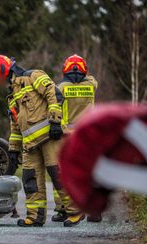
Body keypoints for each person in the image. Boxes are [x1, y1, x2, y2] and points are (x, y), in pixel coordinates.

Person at [0, 55, 84, 227]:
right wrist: (13, 149)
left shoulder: (34, 76)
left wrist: (55, 121)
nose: (0, 84)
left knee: (58, 175)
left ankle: (75, 210)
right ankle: (35, 216)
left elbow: (54, 94)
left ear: (6, 73)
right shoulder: (12, 97)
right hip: (29, 144)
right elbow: (15, 125)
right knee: (30, 180)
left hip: (50, 137)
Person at [53, 54, 100, 222]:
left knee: (64, 172)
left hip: (66, 136)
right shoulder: (91, 85)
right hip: (87, 136)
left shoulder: (61, 87)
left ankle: (63, 209)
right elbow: (91, 78)